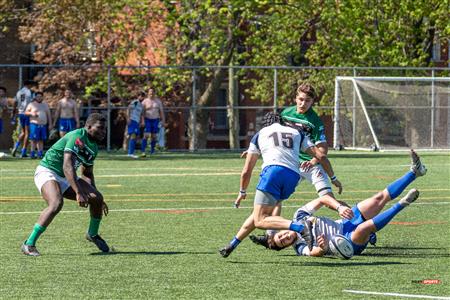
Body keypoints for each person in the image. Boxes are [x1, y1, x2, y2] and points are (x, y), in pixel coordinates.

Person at [250, 150, 427, 257]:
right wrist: (321, 247)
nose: (285, 238)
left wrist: (339, 207)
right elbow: (313, 253)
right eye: (283, 243)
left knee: (378, 198)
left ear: (280, 230)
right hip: (347, 241)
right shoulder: (300, 246)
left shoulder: (299, 215)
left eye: (280, 236)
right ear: (287, 246)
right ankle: (402, 204)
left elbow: (321, 199)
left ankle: (415, 172)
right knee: (363, 229)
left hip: (345, 222)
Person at [219, 112, 348, 258]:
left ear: (266, 124)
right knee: (263, 214)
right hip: (292, 177)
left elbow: (246, 171)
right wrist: (333, 177)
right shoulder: (296, 132)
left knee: (259, 220)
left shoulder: (261, 134)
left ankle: (299, 227)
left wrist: (242, 191)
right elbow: (321, 156)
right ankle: (235, 243)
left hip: (273, 173)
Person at [21, 113, 110, 256]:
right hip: (47, 171)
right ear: (88, 126)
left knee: (97, 198)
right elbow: (67, 166)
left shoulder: (93, 147)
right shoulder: (77, 137)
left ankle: (92, 234)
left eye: (105, 129)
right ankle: (29, 244)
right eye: (99, 128)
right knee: (56, 203)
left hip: (65, 176)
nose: (103, 132)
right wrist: (79, 192)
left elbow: (87, 173)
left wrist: (96, 197)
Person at [24, 92, 52, 159]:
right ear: (35, 97)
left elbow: (49, 115)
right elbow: (26, 112)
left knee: (41, 140)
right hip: (34, 124)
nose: (39, 98)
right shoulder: (31, 104)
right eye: (37, 96)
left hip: (43, 125)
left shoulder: (45, 105)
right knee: (33, 140)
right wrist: (32, 113)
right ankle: (32, 154)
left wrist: (50, 124)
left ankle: (40, 154)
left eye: (40, 96)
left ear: (42, 97)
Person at [11, 80, 34, 157]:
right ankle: (23, 151)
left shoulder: (19, 92)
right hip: (27, 113)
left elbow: (14, 102)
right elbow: (32, 102)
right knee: (27, 133)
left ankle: (16, 147)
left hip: (20, 113)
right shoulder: (29, 92)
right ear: (29, 85)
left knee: (23, 132)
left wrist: (14, 112)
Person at [141, 88, 165, 156]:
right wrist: (142, 121)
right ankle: (143, 151)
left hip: (155, 120)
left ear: (154, 93)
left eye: (152, 92)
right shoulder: (145, 101)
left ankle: (152, 151)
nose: (151, 93)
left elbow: (161, 112)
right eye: (150, 92)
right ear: (148, 93)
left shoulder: (158, 101)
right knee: (146, 135)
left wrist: (163, 121)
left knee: (154, 136)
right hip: (147, 120)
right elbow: (142, 112)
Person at [126, 92, 145, 158]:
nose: (142, 97)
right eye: (141, 96)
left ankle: (130, 152)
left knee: (135, 136)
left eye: (143, 96)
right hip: (132, 120)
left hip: (136, 122)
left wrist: (142, 121)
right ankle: (131, 153)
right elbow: (128, 109)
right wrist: (128, 118)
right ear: (138, 96)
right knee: (133, 135)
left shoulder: (141, 105)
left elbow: (141, 114)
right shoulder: (135, 102)